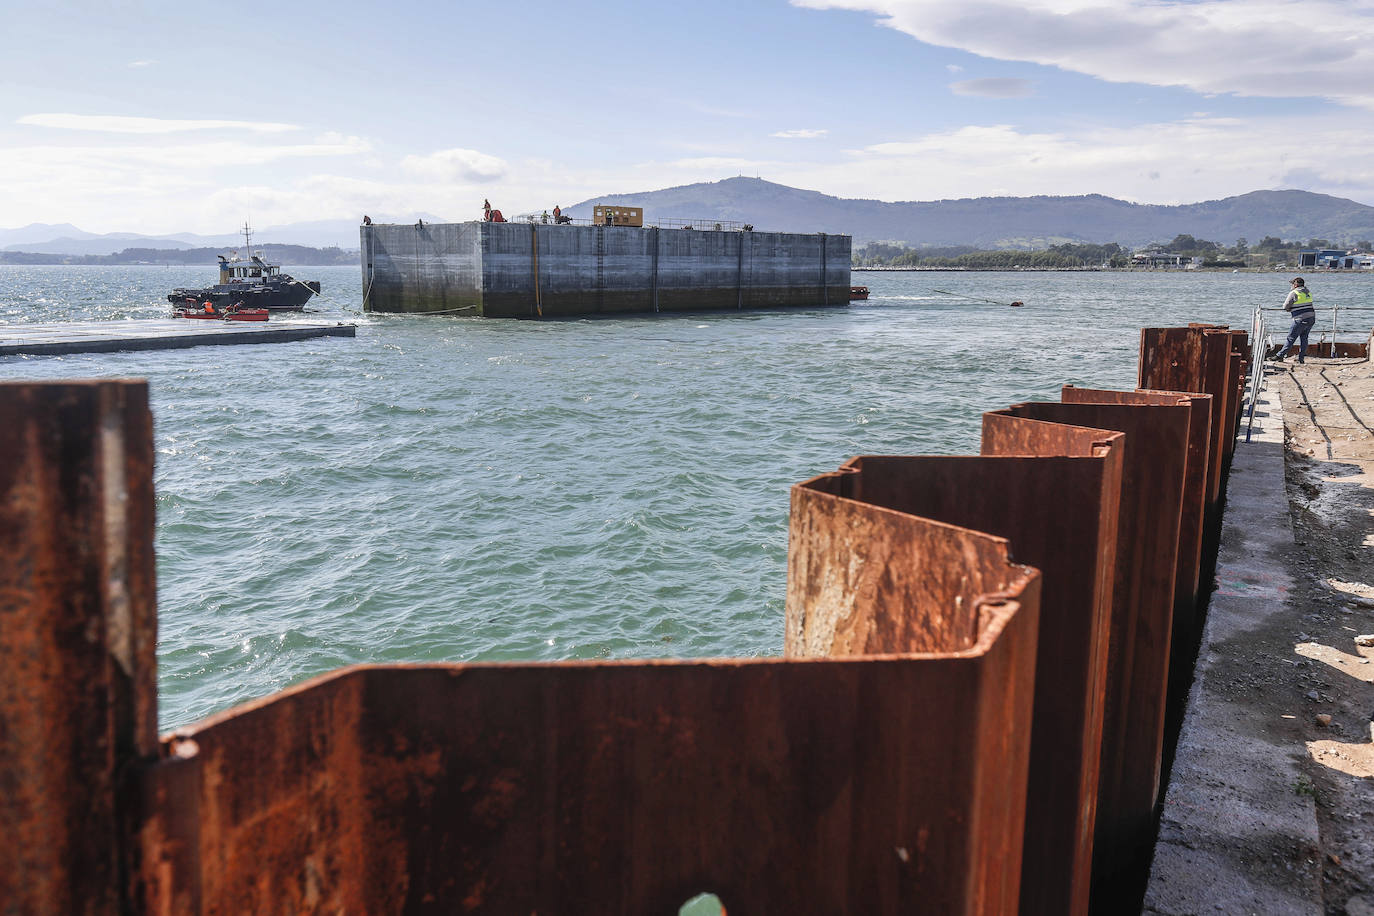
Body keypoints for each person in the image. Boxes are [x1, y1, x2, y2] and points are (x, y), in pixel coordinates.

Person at [1276, 277, 1316, 363]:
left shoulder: (1294, 293)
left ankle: (1280, 355)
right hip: (1311, 317)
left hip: (1300, 319)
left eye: (1292, 284)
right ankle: (1301, 359)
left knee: (1291, 338)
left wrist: (1290, 309)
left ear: (1295, 285)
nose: (1291, 286)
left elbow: (1285, 306)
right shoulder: (1308, 292)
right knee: (1304, 338)